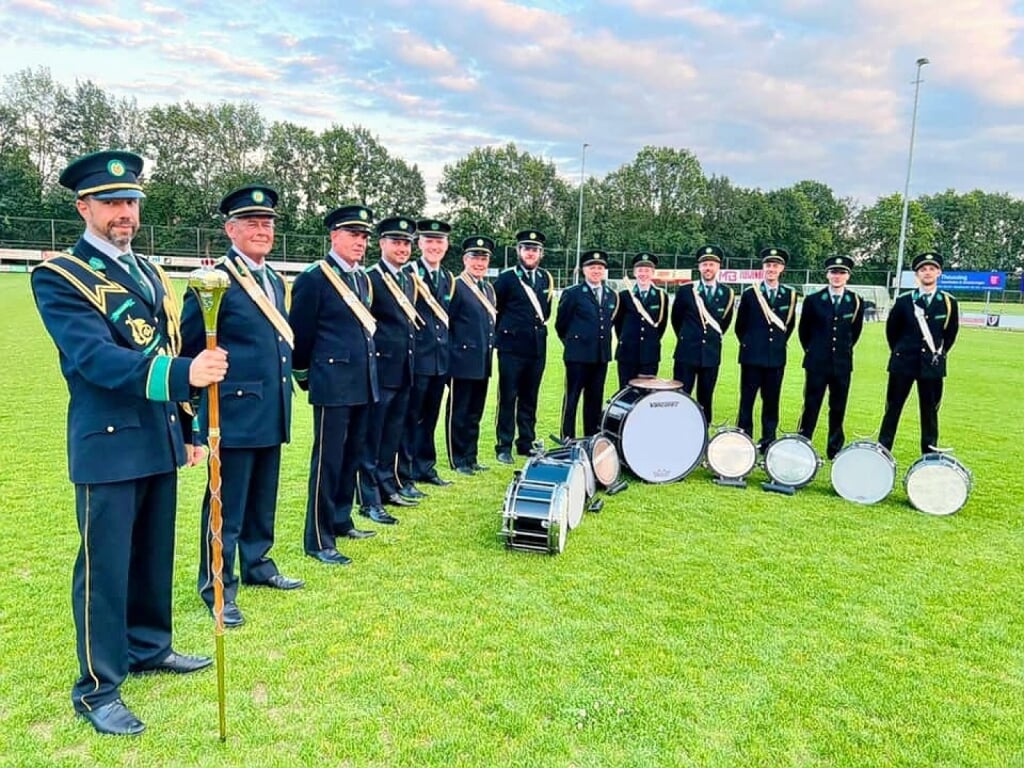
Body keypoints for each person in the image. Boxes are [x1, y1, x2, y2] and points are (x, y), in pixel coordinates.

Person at [31, 150, 223, 736]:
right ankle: (97, 686)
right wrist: (181, 375)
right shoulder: (60, 276)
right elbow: (94, 359)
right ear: (83, 206)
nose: (124, 213)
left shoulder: (151, 273)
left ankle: (149, 647)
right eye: (111, 202)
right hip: (107, 442)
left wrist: (188, 427)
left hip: (156, 437)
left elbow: (164, 342)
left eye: (131, 203)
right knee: (105, 567)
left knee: (150, 557)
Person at [180, 185, 304, 629]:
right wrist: (193, 420)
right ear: (230, 229)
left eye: (267, 223)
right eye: (251, 223)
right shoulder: (214, 279)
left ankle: (258, 562)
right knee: (225, 504)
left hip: (270, 408)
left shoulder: (272, 278)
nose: (261, 230)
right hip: (231, 411)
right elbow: (191, 349)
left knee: (261, 498)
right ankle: (217, 586)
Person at [290, 203, 379, 566]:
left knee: (352, 456)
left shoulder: (361, 278)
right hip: (332, 382)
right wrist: (305, 376)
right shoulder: (315, 277)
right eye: (354, 235)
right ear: (334, 236)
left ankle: (342, 519)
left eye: (364, 237)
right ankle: (318, 537)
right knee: (327, 461)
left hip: (361, 381)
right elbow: (301, 333)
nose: (360, 242)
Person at [358, 216, 420, 520]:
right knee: (372, 437)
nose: (402, 248)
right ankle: (369, 500)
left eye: (407, 243)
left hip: (404, 370)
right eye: (396, 242)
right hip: (381, 371)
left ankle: (386, 486)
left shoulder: (408, 278)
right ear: (381, 243)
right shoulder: (371, 278)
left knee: (392, 435)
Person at [878, 251, 960, 454]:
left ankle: (929, 453)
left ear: (939, 272)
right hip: (903, 363)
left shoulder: (949, 302)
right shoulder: (904, 301)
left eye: (932, 269)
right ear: (917, 274)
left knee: (930, 413)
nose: (927, 272)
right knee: (892, 409)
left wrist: (936, 354)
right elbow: (892, 332)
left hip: (931, 366)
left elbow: (950, 334)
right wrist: (901, 351)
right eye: (923, 269)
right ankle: (883, 450)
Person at [398, 218, 455, 488]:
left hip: (439, 361)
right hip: (416, 359)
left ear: (446, 245)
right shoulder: (409, 273)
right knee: (410, 417)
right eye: (429, 241)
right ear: (419, 243)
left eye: (439, 241)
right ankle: (405, 473)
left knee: (430, 417)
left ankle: (425, 467)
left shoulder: (447, 278)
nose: (434, 246)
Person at [796, 255, 865, 459]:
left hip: (842, 363)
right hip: (817, 362)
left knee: (838, 407)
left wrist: (842, 351)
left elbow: (855, 332)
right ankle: (804, 440)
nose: (837, 276)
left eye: (842, 273)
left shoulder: (855, 301)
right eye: (834, 272)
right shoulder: (813, 300)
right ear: (827, 274)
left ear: (848, 276)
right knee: (811, 404)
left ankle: (834, 448)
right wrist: (814, 350)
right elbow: (804, 332)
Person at [494, 229, 553, 464]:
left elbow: (545, 312)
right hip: (511, 348)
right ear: (519, 251)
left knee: (530, 398)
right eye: (527, 249)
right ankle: (503, 445)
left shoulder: (545, 278)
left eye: (535, 250)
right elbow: (495, 310)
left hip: (537, 348)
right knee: (508, 397)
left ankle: (526, 442)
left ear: (541, 254)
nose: (531, 253)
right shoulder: (507, 278)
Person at [735, 247, 797, 451]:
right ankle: (744, 437)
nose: (771, 268)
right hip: (752, 356)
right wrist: (751, 343)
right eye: (768, 265)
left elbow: (789, 325)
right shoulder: (750, 293)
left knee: (771, 401)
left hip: (775, 358)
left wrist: (776, 345)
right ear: (763, 268)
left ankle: (768, 440)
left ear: (782, 269)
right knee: (747, 400)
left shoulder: (790, 295)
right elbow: (740, 326)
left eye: (775, 265)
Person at [446, 236, 497, 474]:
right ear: (465, 259)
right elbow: (448, 324)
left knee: (475, 412)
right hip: (461, 361)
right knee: (459, 411)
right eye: (475, 258)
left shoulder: (487, 287)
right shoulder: (456, 285)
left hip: (483, 361)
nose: (479, 263)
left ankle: (471, 456)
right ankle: (458, 459)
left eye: (484, 258)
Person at [555, 249, 619, 439]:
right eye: (592, 267)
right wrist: (574, 343)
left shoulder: (610, 295)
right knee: (572, 398)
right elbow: (561, 324)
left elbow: (609, 323)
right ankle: (568, 438)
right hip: (578, 356)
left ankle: (592, 438)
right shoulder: (573, 293)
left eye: (600, 268)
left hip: (600, 356)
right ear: (584, 270)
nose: (596, 271)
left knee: (594, 400)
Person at [671, 244, 735, 425]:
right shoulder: (686, 291)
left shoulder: (727, 293)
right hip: (687, 353)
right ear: (699, 267)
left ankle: (703, 434)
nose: (708, 268)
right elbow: (676, 319)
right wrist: (687, 337)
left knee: (706, 398)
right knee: (681, 397)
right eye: (704, 264)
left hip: (711, 354)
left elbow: (724, 323)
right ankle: (678, 431)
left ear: (718, 267)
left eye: (712, 264)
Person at [613, 252, 669, 389]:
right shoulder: (624, 296)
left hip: (649, 354)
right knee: (626, 391)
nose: (643, 274)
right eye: (640, 270)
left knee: (647, 394)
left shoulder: (661, 296)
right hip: (627, 353)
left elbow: (661, 325)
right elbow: (618, 324)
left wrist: (651, 340)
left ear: (653, 272)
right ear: (634, 273)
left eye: (647, 270)